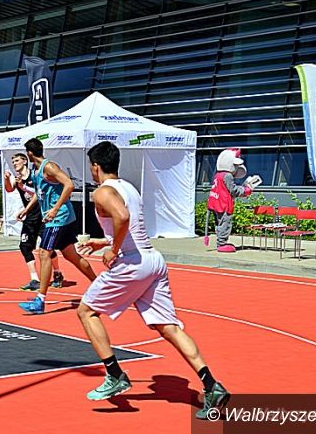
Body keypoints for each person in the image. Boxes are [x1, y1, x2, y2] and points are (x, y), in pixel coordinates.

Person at [76, 141, 229, 418]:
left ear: (95, 167)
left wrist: (113, 249)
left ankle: (114, 374)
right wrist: (104, 241)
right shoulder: (129, 187)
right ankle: (211, 385)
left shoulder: (102, 192)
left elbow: (122, 217)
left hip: (132, 264)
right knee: (168, 327)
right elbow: (130, 226)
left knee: (86, 311)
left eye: (90, 166)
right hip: (153, 260)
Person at [17, 138, 96, 314]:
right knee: (71, 255)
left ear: (29, 153)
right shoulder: (36, 170)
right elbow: (39, 193)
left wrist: (55, 208)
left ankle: (40, 300)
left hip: (59, 217)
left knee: (44, 253)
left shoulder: (49, 167)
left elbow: (69, 184)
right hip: (59, 217)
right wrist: (26, 210)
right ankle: (99, 284)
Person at [4, 153, 64, 291]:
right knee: (24, 246)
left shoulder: (35, 175)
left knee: (46, 247)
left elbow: (37, 194)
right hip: (30, 217)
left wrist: (23, 190)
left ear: (25, 161)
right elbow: (9, 189)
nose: (15, 163)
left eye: (17, 160)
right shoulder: (18, 179)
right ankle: (34, 279)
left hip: (43, 215)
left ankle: (57, 272)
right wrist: (7, 179)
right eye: (13, 161)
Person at [206, 148, 253, 252]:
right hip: (224, 204)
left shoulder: (218, 175)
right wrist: (245, 190)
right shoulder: (227, 176)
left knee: (219, 223)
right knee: (225, 223)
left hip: (215, 202)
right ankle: (221, 243)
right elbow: (233, 190)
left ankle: (220, 241)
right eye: (235, 165)